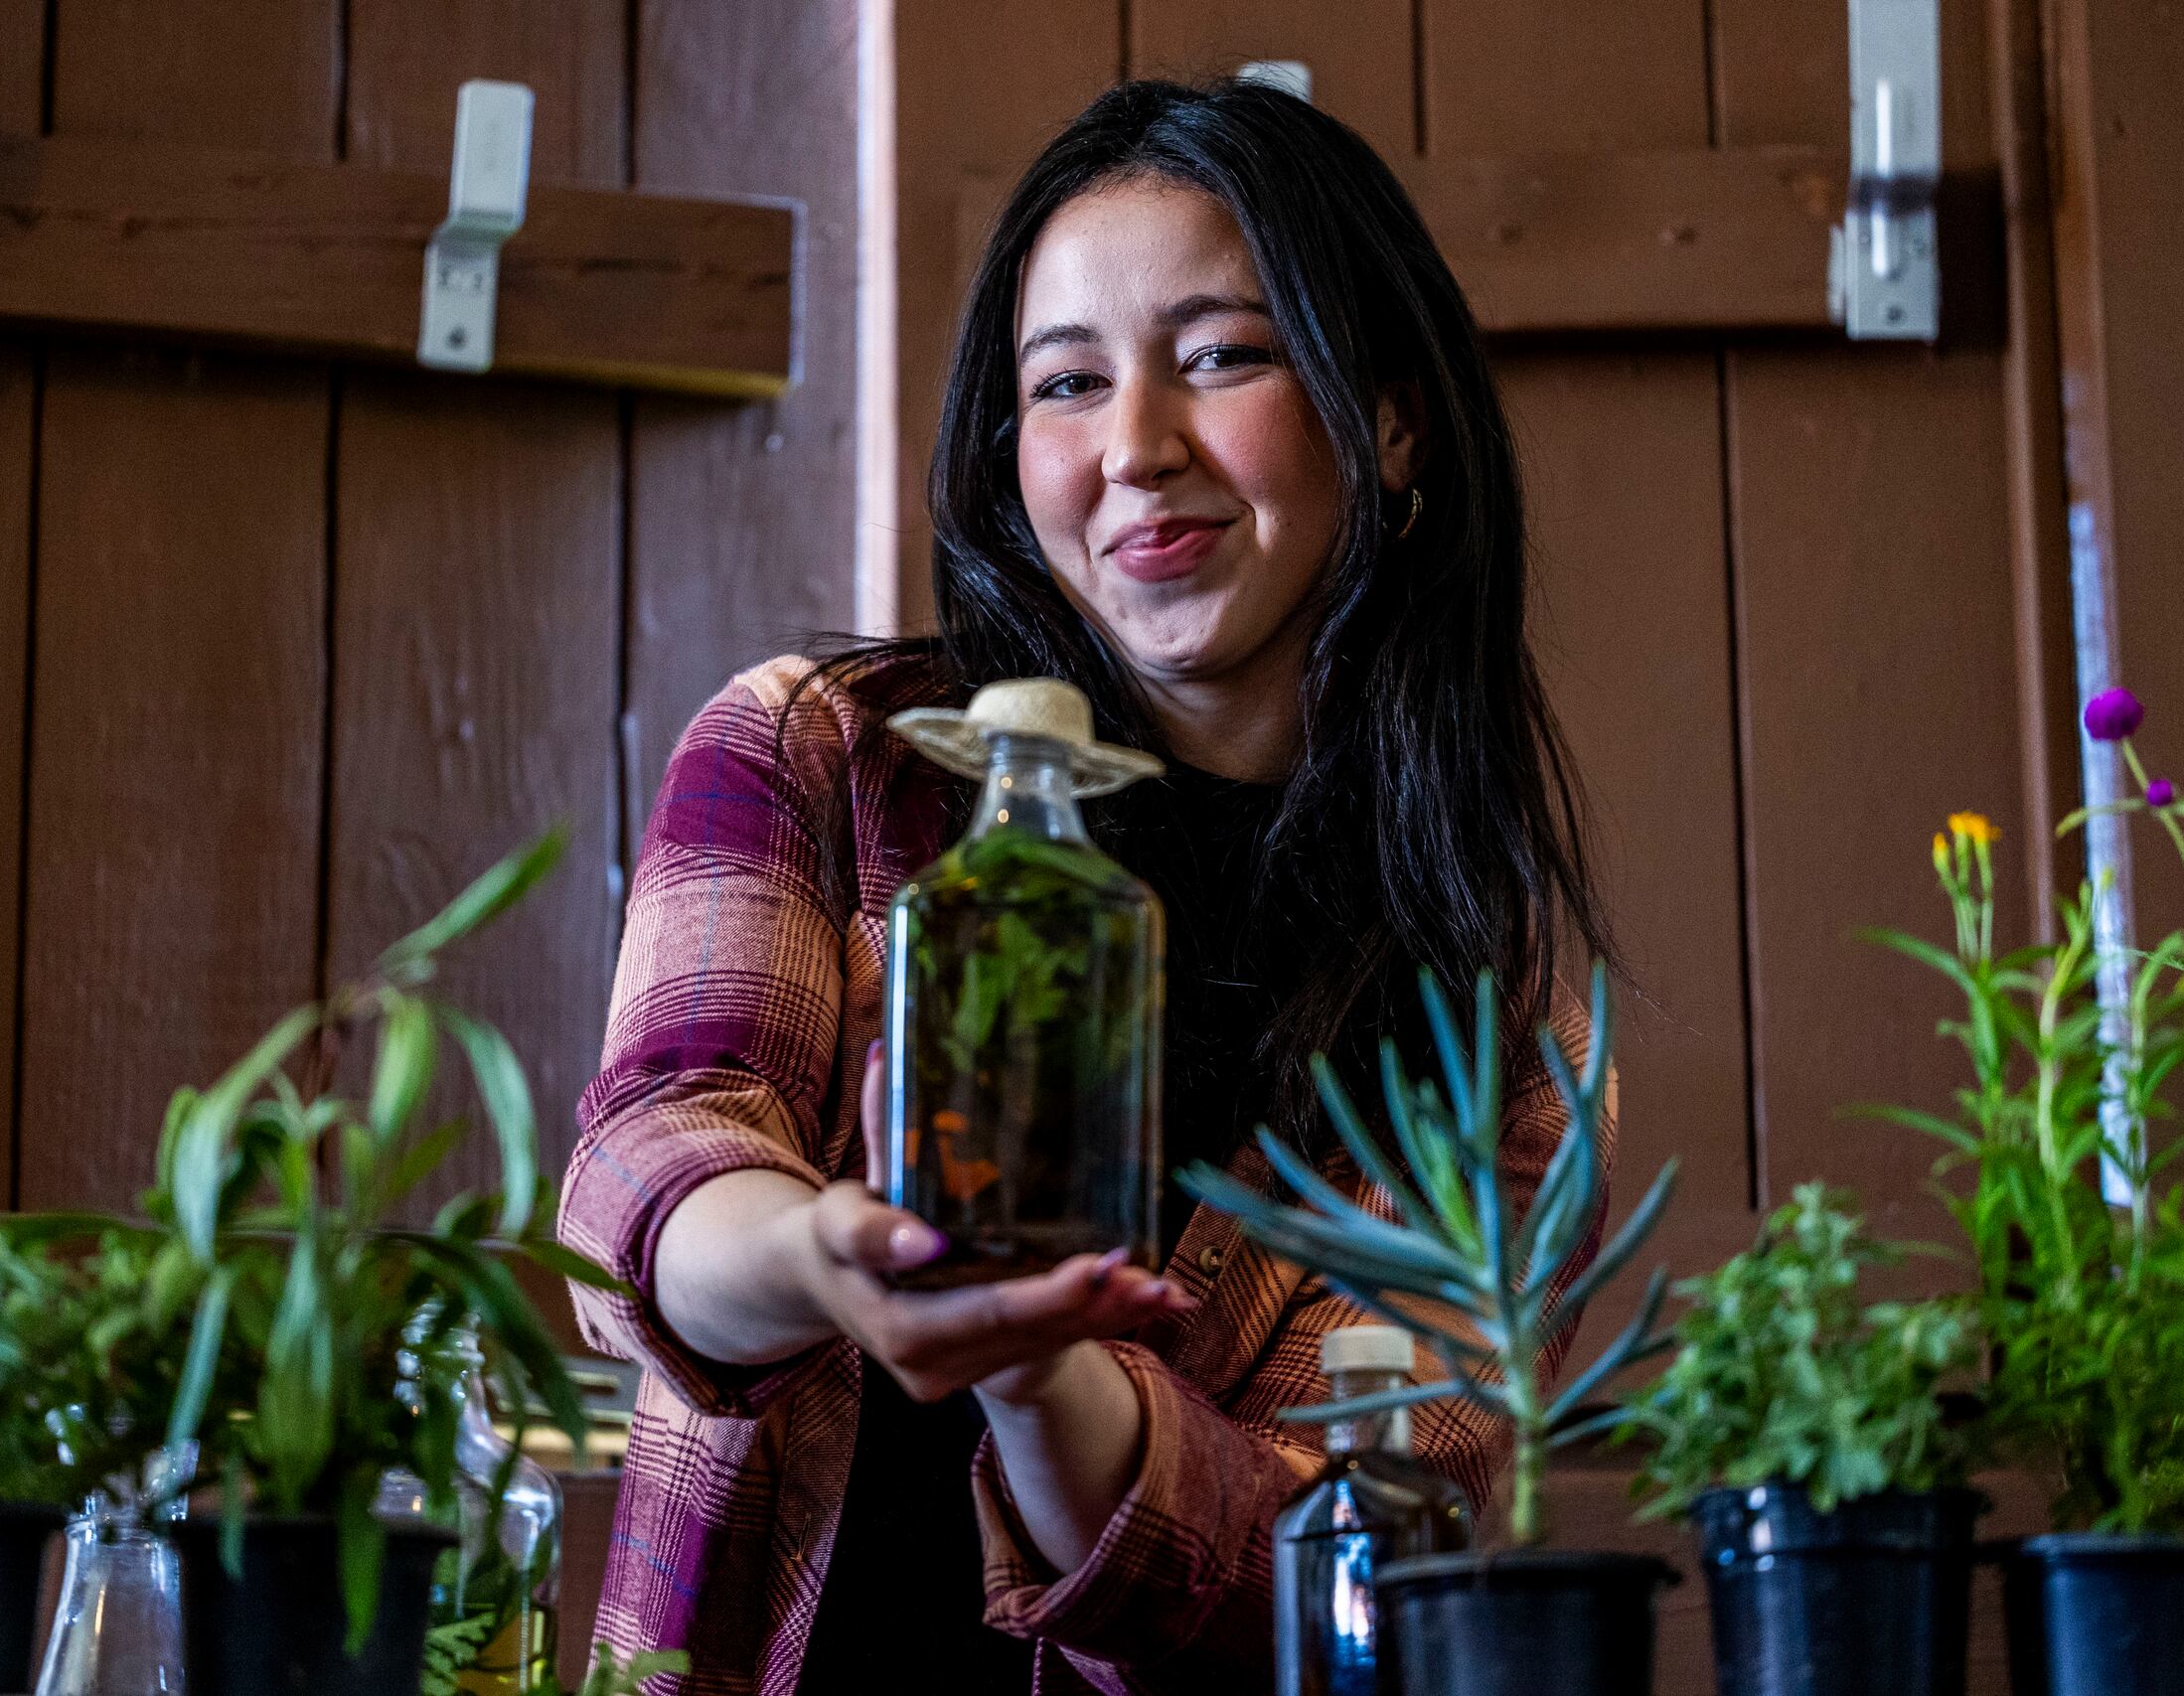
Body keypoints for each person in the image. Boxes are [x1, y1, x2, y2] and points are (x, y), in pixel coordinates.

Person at [558, 77, 1619, 1696]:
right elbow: (653, 1160)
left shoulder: (1491, 1004)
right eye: (1068, 383)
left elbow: (1341, 1554)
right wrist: (825, 1256)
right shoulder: (824, 758)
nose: (1136, 449)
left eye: (1222, 357)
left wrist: (1035, 1365)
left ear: (1392, 417)